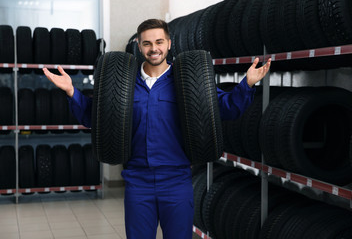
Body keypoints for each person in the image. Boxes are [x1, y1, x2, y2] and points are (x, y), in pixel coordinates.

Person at [43, 19, 271, 239]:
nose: (154, 49)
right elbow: (97, 117)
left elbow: (225, 108)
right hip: (137, 181)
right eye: (147, 43)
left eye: (159, 42)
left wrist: (247, 84)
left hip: (176, 180)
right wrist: (72, 91)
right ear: (139, 46)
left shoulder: (187, 81)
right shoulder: (124, 83)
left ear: (169, 44)